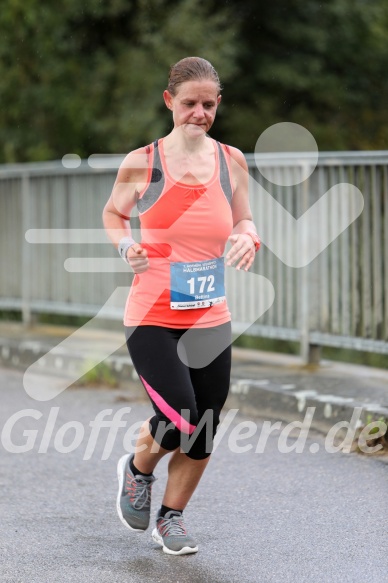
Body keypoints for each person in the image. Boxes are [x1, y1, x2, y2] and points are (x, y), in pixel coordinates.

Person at [102, 56, 260, 556]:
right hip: (151, 316)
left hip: (210, 316)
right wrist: (126, 246)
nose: (199, 113)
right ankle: (137, 469)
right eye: (189, 103)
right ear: (170, 101)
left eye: (208, 104)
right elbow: (113, 213)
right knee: (180, 417)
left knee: (204, 427)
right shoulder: (144, 162)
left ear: (218, 105)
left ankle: (171, 520)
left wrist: (249, 237)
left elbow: (244, 220)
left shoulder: (231, 160)